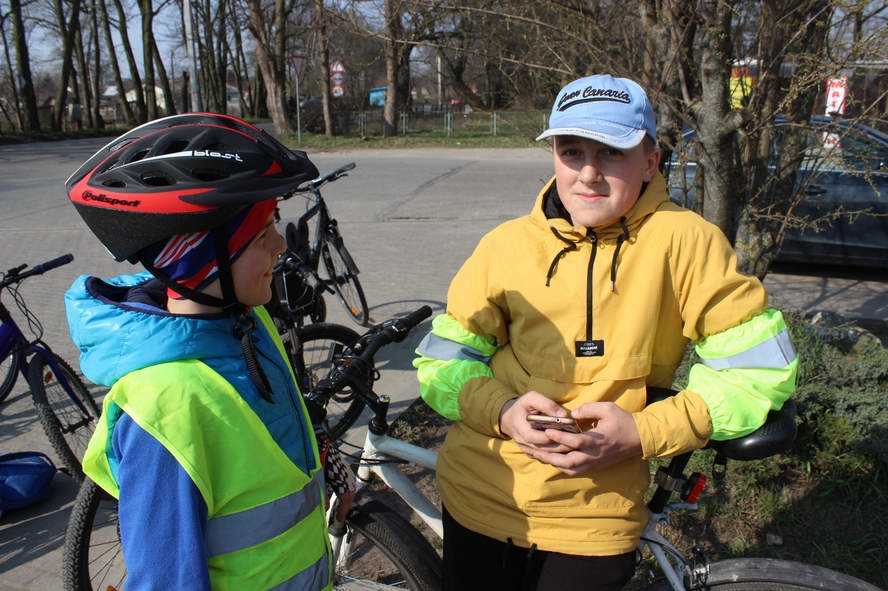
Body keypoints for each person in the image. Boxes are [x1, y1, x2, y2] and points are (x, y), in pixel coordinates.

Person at [414, 75, 798, 590]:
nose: (588, 174)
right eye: (572, 152)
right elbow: (443, 363)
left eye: (612, 153)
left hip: (593, 520)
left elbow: (757, 370)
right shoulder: (505, 246)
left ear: (649, 161)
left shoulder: (686, 243)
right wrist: (503, 412)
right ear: (553, 156)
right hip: (478, 496)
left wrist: (645, 432)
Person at [65, 113, 341, 590]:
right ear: (200, 259)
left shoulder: (249, 326)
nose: (280, 246)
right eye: (260, 235)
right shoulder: (166, 405)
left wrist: (326, 475)